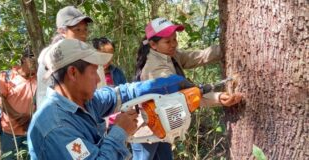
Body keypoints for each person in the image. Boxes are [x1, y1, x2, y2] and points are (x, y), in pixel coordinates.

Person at [27, 39, 194, 159]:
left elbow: (121, 94)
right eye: (93, 72)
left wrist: (169, 84)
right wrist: (119, 131)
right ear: (73, 73)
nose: (98, 80)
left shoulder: (84, 101)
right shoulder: (56, 126)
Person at [132, 17, 243, 160]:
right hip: (146, 128)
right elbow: (183, 97)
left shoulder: (170, 54)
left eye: (174, 39)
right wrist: (218, 97)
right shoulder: (155, 68)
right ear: (153, 44)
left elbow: (199, 56)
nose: (173, 44)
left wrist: (227, 47)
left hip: (163, 127)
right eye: (168, 41)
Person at [36, 5, 92, 107]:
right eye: (78, 30)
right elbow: (44, 94)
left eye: (85, 29)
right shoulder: (51, 56)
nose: (83, 35)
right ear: (62, 31)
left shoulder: (85, 53)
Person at [0, 46, 37, 160]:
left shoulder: (39, 77)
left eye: (36, 60)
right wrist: (17, 116)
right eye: (31, 59)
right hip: (10, 133)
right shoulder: (7, 76)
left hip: (32, 130)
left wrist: (31, 117)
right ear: (23, 59)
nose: (34, 62)